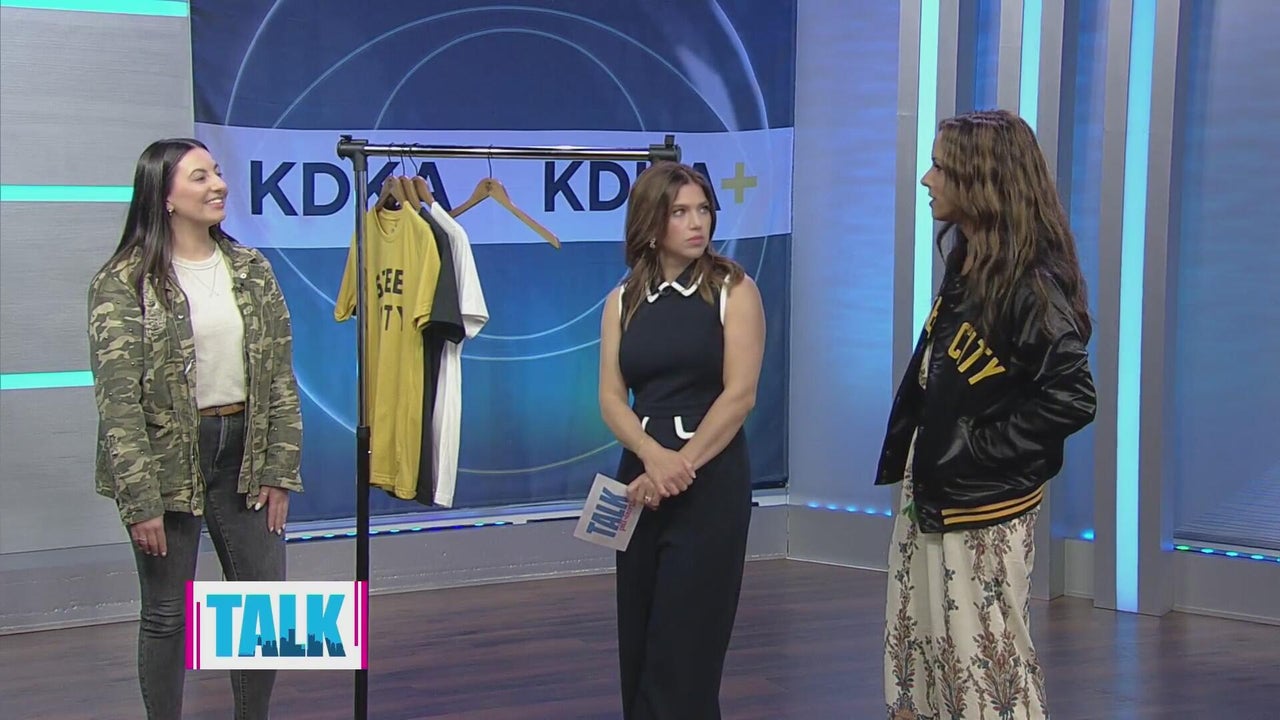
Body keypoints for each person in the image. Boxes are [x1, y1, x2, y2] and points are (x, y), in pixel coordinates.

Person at [876, 109, 1097, 720]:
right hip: (936, 490)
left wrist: (976, 449)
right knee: (921, 656)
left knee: (985, 666)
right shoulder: (969, 262)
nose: (927, 179)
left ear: (981, 181)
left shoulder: (1031, 285)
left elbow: (1073, 396)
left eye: (940, 168)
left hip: (982, 503)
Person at [87, 138, 303, 720]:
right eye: (200, 176)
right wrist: (140, 501)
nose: (218, 185)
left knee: (264, 608)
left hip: (246, 452)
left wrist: (280, 468)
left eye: (217, 173)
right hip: (164, 461)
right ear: (164, 196)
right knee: (167, 613)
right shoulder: (123, 280)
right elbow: (118, 402)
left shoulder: (252, 269)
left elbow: (280, 375)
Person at [597, 161, 766, 720]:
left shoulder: (734, 290)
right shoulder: (622, 299)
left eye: (703, 210)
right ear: (651, 222)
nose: (697, 223)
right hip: (640, 483)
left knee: (686, 647)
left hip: (709, 482)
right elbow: (612, 399)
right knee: (640, 638)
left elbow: (739, 396)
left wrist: (680, 466)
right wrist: (651, 457)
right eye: (680, 212)